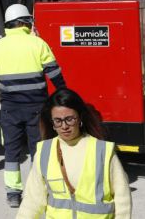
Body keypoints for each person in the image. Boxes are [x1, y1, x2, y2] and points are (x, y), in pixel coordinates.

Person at [0, 3, 67, 208]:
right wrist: (64, 95)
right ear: (24, 22)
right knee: (39, 150)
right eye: (29, 20)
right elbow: (55, 75)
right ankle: (39, 192)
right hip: (37, 107)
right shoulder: (38, 44)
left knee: (11, 151)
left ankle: (13, 193)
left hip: (10, 110)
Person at [16, 88, 132, 219]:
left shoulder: (102, 151)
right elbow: (32, 200)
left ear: (80, 118)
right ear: (52, 123)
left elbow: (123, 198)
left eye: (69, 119)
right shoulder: (44, 151)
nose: (64, 126)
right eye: (58, 121)